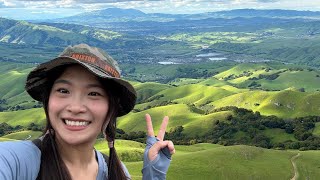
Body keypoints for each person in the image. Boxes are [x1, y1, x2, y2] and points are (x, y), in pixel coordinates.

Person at [0, 44, 175, 180]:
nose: (75, 107)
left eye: (93, 93)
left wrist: (153, 175)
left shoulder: (116, 172)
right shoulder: (14, 161)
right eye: (63, 90)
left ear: (110, 109)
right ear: (48, 100)